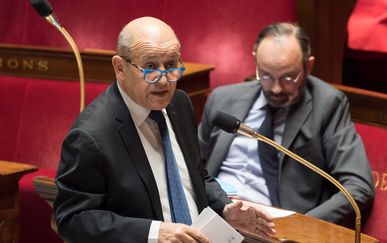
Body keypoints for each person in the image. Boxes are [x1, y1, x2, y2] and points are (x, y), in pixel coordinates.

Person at [54, 17, 275, 243]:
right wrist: (154, 233)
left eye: (171, 65)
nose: (164, 80)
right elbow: (73, 219)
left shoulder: (179, 104)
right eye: (150, 67)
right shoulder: (92, 135)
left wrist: (224, 208)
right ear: (120, 68)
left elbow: (196, 175)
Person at [198, 22, 375, 225]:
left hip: (273, 227)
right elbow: (191, 167)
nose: (275, 89)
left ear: (308, 66)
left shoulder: (327, 104)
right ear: (256, 61)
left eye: (288, 77)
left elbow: (358, 187)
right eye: (265, 75)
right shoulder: (222, 98)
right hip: (215, 215)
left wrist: (300, 227)